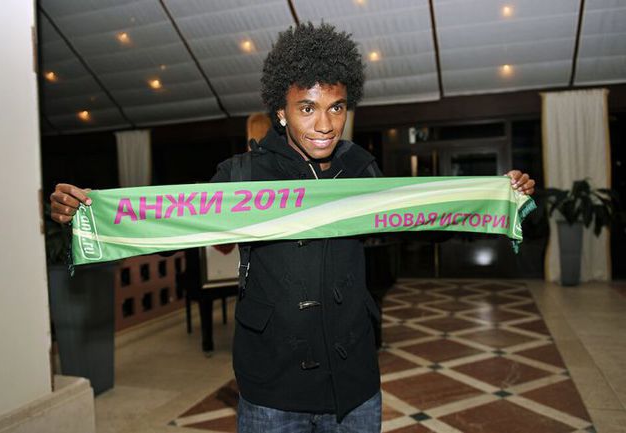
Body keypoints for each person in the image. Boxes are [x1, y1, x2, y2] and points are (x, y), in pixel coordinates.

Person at [50, 22, 535, 433]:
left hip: (353, 379)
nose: (325, 124)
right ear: (281, 112)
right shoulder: (241, 176)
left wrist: (502, 196)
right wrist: (87, 214)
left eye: (336, 107)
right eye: (308, 108)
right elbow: (171, 224)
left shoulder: (360, 168)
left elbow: (422, 218)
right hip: (272, 384)